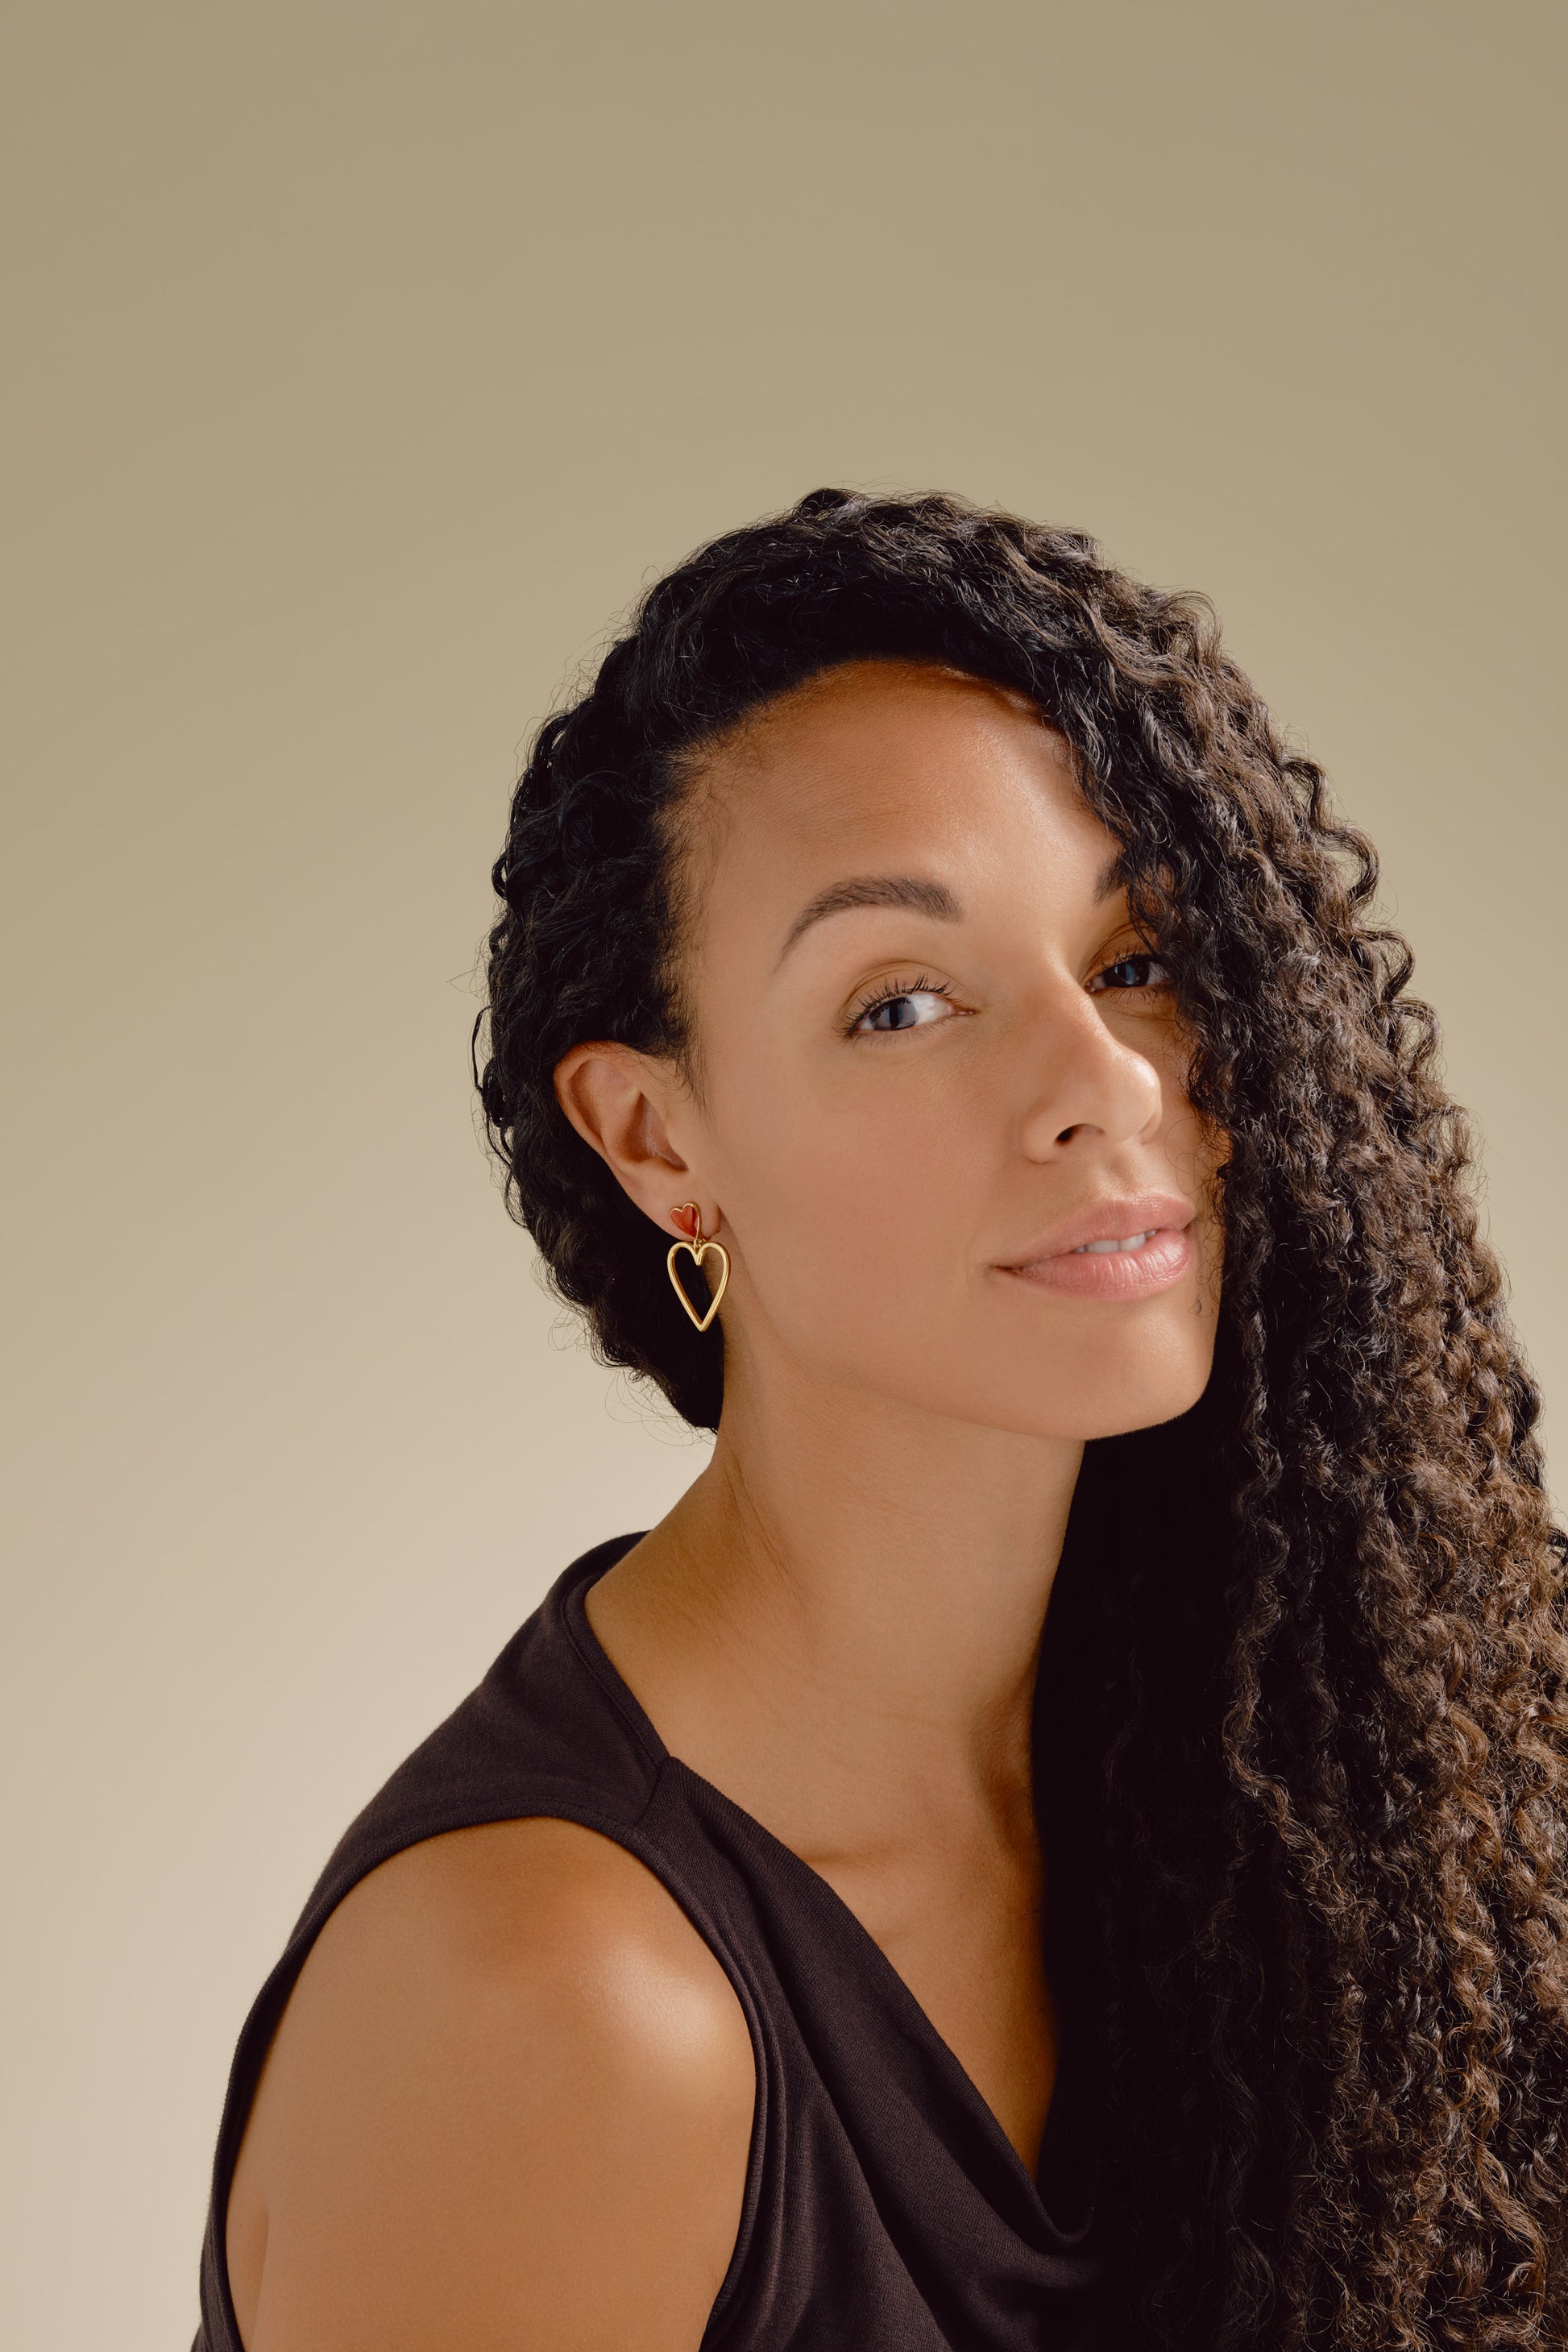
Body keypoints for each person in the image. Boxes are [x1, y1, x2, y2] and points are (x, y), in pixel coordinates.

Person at [193, 490, 1568, 2351]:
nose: (1101, 1087)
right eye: (904, 1000)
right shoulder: (559, 2008)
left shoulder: (1291, 1788)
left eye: (1139, 958)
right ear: (656, 1138)